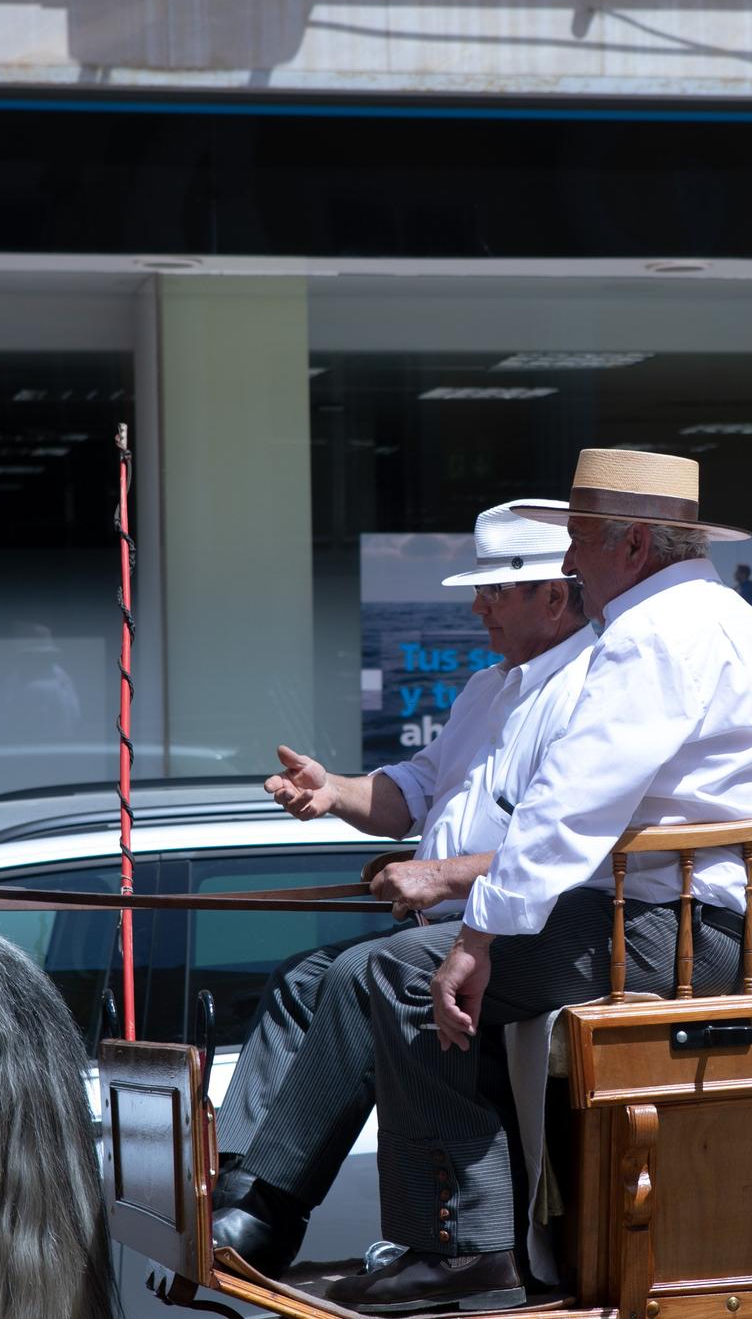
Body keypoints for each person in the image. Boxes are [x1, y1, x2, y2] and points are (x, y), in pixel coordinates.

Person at [328, 448, 752, 1313]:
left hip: (670, 934)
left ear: (630, 547)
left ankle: (464, 1246)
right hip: (707, 930)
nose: (573, 565)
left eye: (579, 540)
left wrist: (478, 935)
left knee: (393, 971)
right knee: (405, 963)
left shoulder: (653, 637)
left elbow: (568, 804)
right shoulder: (741, 625)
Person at [210, 499, 597, 1276]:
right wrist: (333, 792)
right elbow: (419, 786)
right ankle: (244, 1191)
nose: (476, 604)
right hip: (451, 923)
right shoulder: (488, 688)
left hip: (525, 927)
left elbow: (568, 847)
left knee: (364, 974)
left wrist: (440, 873)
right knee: (300, 980)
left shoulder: (590, 689)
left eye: (494, 589)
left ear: (553, 597)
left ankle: (280, 1206)